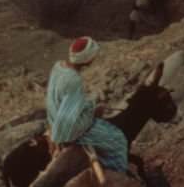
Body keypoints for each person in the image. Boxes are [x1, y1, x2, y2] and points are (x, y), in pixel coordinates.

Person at [45, 37, 129, 173]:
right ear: (87, 59)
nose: (95, 58)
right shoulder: (74, 80)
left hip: (53, 119)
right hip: (66, 131)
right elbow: (69, 123)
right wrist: (93, 114)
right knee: (118, 139)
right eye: (93, 55)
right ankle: (116, 175)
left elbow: (60, 101)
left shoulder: (58, 66)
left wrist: (88, 105)